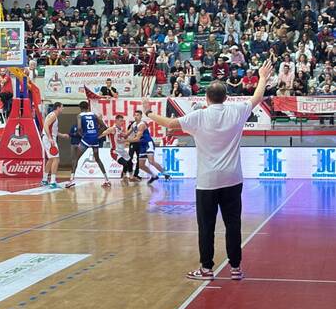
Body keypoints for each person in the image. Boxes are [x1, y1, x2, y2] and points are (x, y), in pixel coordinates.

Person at [142, 60, 274, 281]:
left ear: (206, 98)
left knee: (206, 227)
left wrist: (148, 113)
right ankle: (235, 268)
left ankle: (206, 269)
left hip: (207, 182)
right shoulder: (237, 111)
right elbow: (257, 98)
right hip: (233, 179)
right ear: (227, 97)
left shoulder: (198, 116)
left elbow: (171, 124)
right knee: (233, 224)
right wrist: (262, 77)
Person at [70, 101, 110, 188]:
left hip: (86, 139)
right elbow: (104, 126)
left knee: (76, 158)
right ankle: (107, 180)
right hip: (95, 139)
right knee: (98, 159)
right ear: (88, 107)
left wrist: (83, 135)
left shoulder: (80, 116)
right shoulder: (94, 115)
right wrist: (97, 134)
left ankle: (71, 180)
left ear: (80, 108)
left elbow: (79, 128)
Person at [129, 110, 170, 184]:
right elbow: (126, 133)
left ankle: (166, 174)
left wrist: (125, 141)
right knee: (141, 165)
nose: (136, 116)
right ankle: (154, 176)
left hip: (148, 143)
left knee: (151, 161)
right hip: (142, 145)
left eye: (138, 115)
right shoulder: (134, 124)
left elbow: (137, 138)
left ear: (141, 116)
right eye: (135, 115)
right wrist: (120, 134)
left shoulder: (142, 124)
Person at [41, 102, 69, 188]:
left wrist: (62, 135)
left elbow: (54, 131)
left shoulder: (53, 115)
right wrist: (49, 138)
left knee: (51, 159)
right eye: (62, 107)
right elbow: (45, 125)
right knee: (56, 159)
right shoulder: (53, 115)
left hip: (48, 137)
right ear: (58, 108)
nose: (63, 109)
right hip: (48, 138)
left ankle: (45, 180)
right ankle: (52, 182)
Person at [102, 115, 136, 183]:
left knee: (130, 163)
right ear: (116, 121)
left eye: (122, 121)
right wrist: (94, 138)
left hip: (122, 150)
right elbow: (103, 133)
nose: (122, 122)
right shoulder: (112, 129)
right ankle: (124, 176)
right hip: (115, 151)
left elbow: (125, 137)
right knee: (125, 163)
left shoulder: (120, 129)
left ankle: (131, 177)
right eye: (120, 121)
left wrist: (131, 133)